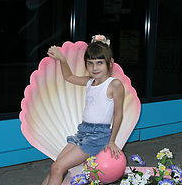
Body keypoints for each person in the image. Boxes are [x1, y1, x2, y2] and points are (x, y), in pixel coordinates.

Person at [41, 35, 125, 185]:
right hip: (82, 132)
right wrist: (62, 59)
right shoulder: (89, 81)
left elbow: (118, 114)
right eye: (90, 63)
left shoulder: (114, 84)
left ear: (110, 63)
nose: (95, 68)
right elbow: (69, 77)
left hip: (97, 137)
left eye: (99, 63)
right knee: (55, 167)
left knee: (58, 167)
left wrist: (112, 141)